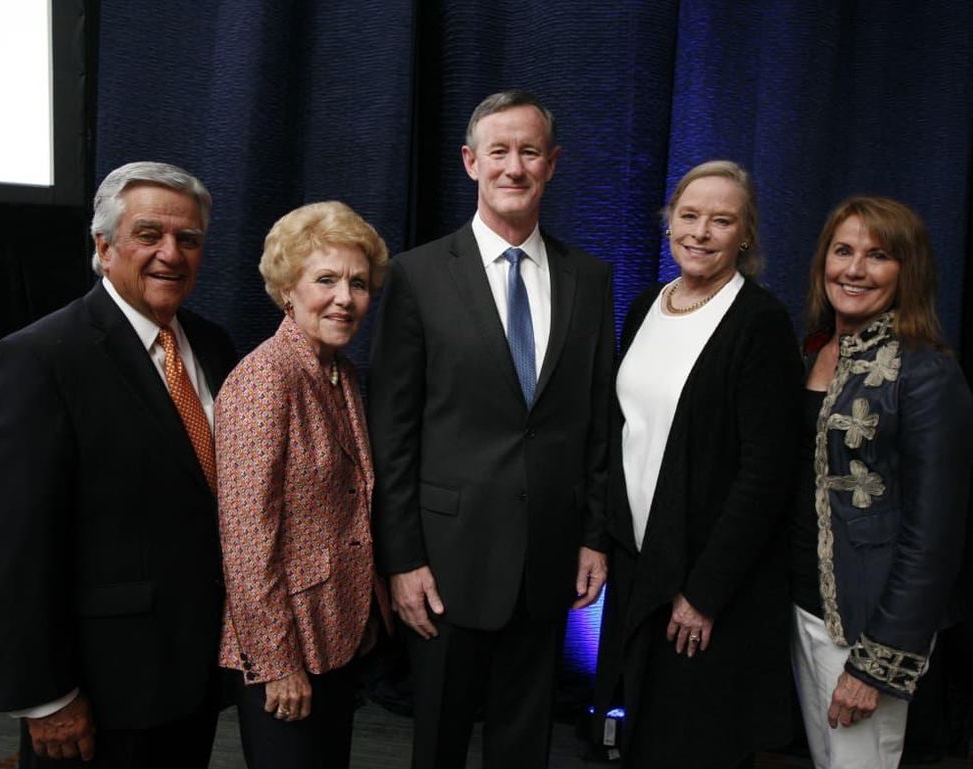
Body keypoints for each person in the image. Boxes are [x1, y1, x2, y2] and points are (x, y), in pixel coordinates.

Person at [367, 89, 614, 769]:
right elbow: (393, 432)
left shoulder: (589, 278)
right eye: (499, 151)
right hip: (444, 559)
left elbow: (595, 418)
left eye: (529, 152)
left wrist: (594, 533)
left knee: (524, 741)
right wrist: (401, 558)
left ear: (553, 163)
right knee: (439, 740)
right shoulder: (416, 275)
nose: (514, 167)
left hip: (548, 555)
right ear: (470, 162)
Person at [0, 162, 238, 768]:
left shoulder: (212, 344)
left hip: (193, 676)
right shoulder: (40, 358)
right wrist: (44, 697)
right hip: (96, 693)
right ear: (103, 247)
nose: (170, 255)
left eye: (188, 239)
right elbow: (16, 544)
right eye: (149, 235)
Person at [595, 160, 803, 768]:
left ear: (747, 236)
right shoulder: (644, 309)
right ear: (669, 224)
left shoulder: (760, 323)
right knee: (641, 737)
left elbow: (767, 475)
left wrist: (704, 593)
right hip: (640, 567)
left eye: (722, 220)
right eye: (689, 216)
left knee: (693, 744)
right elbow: (623, 434)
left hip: (706, 583)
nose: (701, 232)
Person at [790, 196, 973, 768]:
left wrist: (877, 664)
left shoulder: (927, 371)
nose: (855, 269)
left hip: (867, 629)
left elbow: (934, 538)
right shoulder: (815, 351)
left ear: (908, 270)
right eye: (842, 251)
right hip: (803, 609)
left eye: (879, 256)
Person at [215, 201, 391, 769]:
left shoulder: (342, 372)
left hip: (336, 631)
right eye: (326, 279)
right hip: (284, 646)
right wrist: (276, 662)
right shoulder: (264, 380)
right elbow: (245, 543)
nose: (345, 297)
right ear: (287, 289)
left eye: (358, 283)